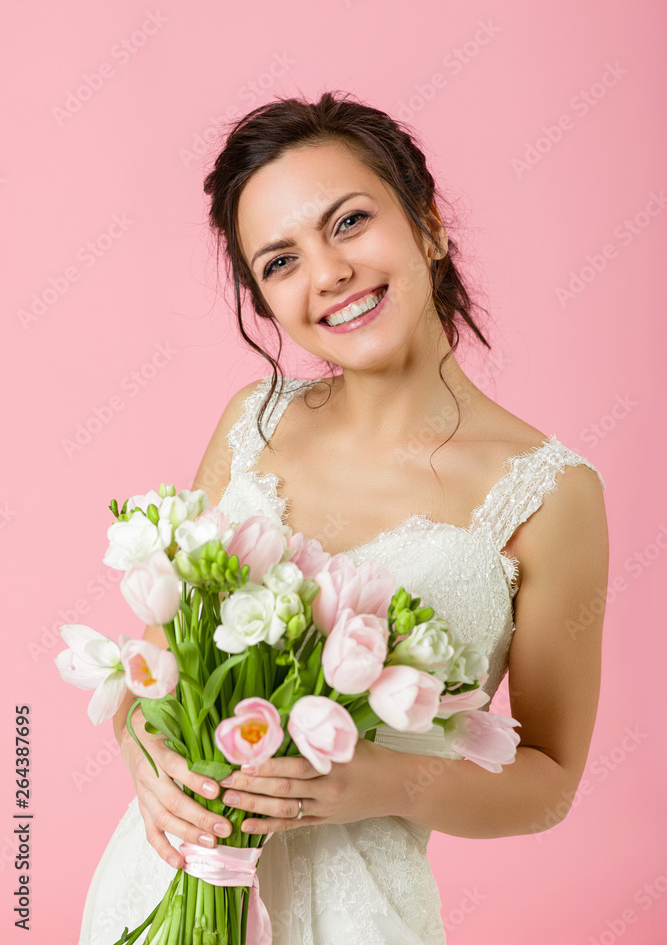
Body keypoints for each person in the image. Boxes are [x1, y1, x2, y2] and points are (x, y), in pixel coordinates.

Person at [79, 91, 609, 945]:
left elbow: (547, 783)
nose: (326, 273)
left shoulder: (551, 495)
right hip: (157, 893)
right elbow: (152, 674)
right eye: (279, 262)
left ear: (428, 225)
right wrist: (147, 758)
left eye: (349, 221)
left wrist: (373, 784)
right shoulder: (251, 422)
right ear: (263, 300)